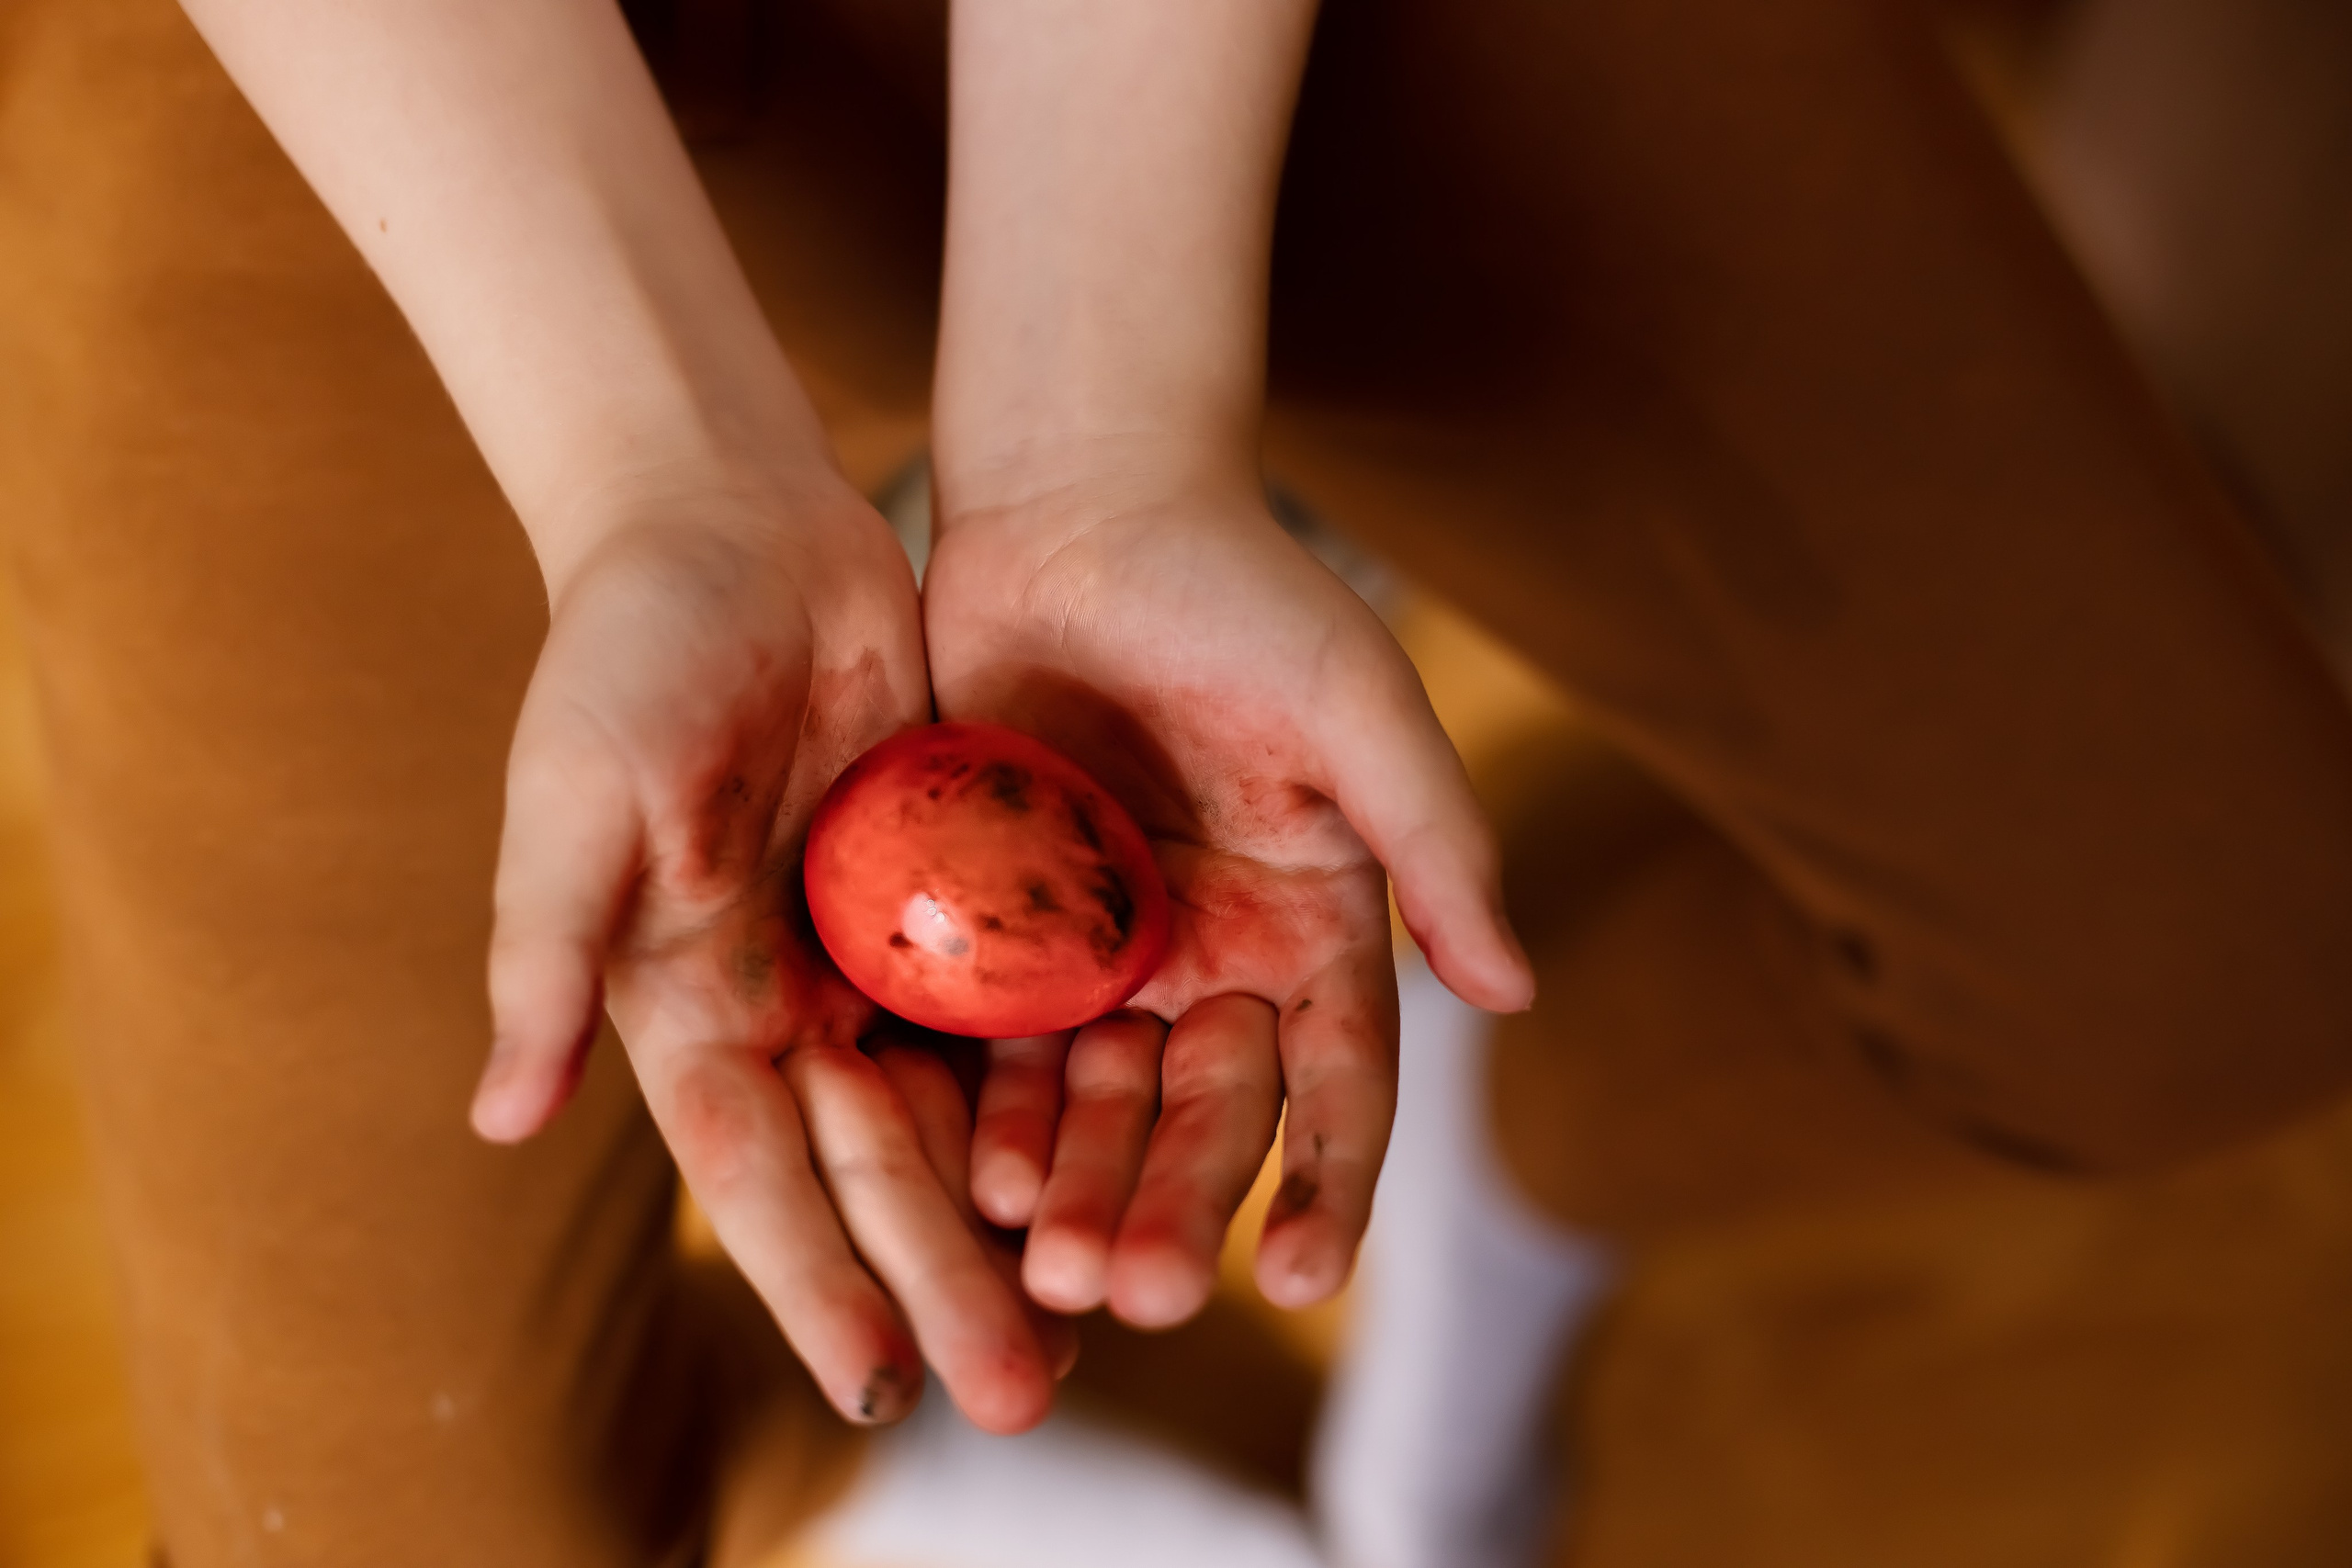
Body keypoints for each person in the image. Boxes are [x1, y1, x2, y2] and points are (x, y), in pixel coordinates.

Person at [5, 2, 2351, 1567]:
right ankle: (924, 1449)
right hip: (359, 94)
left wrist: (1104, 404)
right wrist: (644, 464)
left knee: (2197, 955)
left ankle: (1514, 1141)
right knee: (395, 1523)